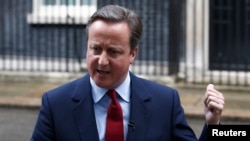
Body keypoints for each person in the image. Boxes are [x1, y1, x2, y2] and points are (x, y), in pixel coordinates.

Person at [31, 4, 225, 141]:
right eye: (95, 49)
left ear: (133, 54)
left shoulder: (165, 102)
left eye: (113, 52)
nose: (102, 60)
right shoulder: (55, 104)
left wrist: (213, 124)